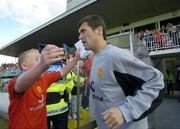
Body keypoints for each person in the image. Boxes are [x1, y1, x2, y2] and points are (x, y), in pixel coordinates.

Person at [78, 15, 165, 129]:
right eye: (79, 33)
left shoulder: (114, 55)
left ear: (99, 31)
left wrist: (125, 111)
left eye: (83, 31)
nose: (80, 37)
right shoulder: (96, 57)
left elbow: (157, 81)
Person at [8, 44, 80, 129]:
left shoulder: (44, 78)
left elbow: (63, 71)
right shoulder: (15, 82)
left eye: (42, 58)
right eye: (38, 59)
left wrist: (76, 59)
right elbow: (21, 83)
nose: (43, 61)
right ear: (24, 66)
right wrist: (42, 65)